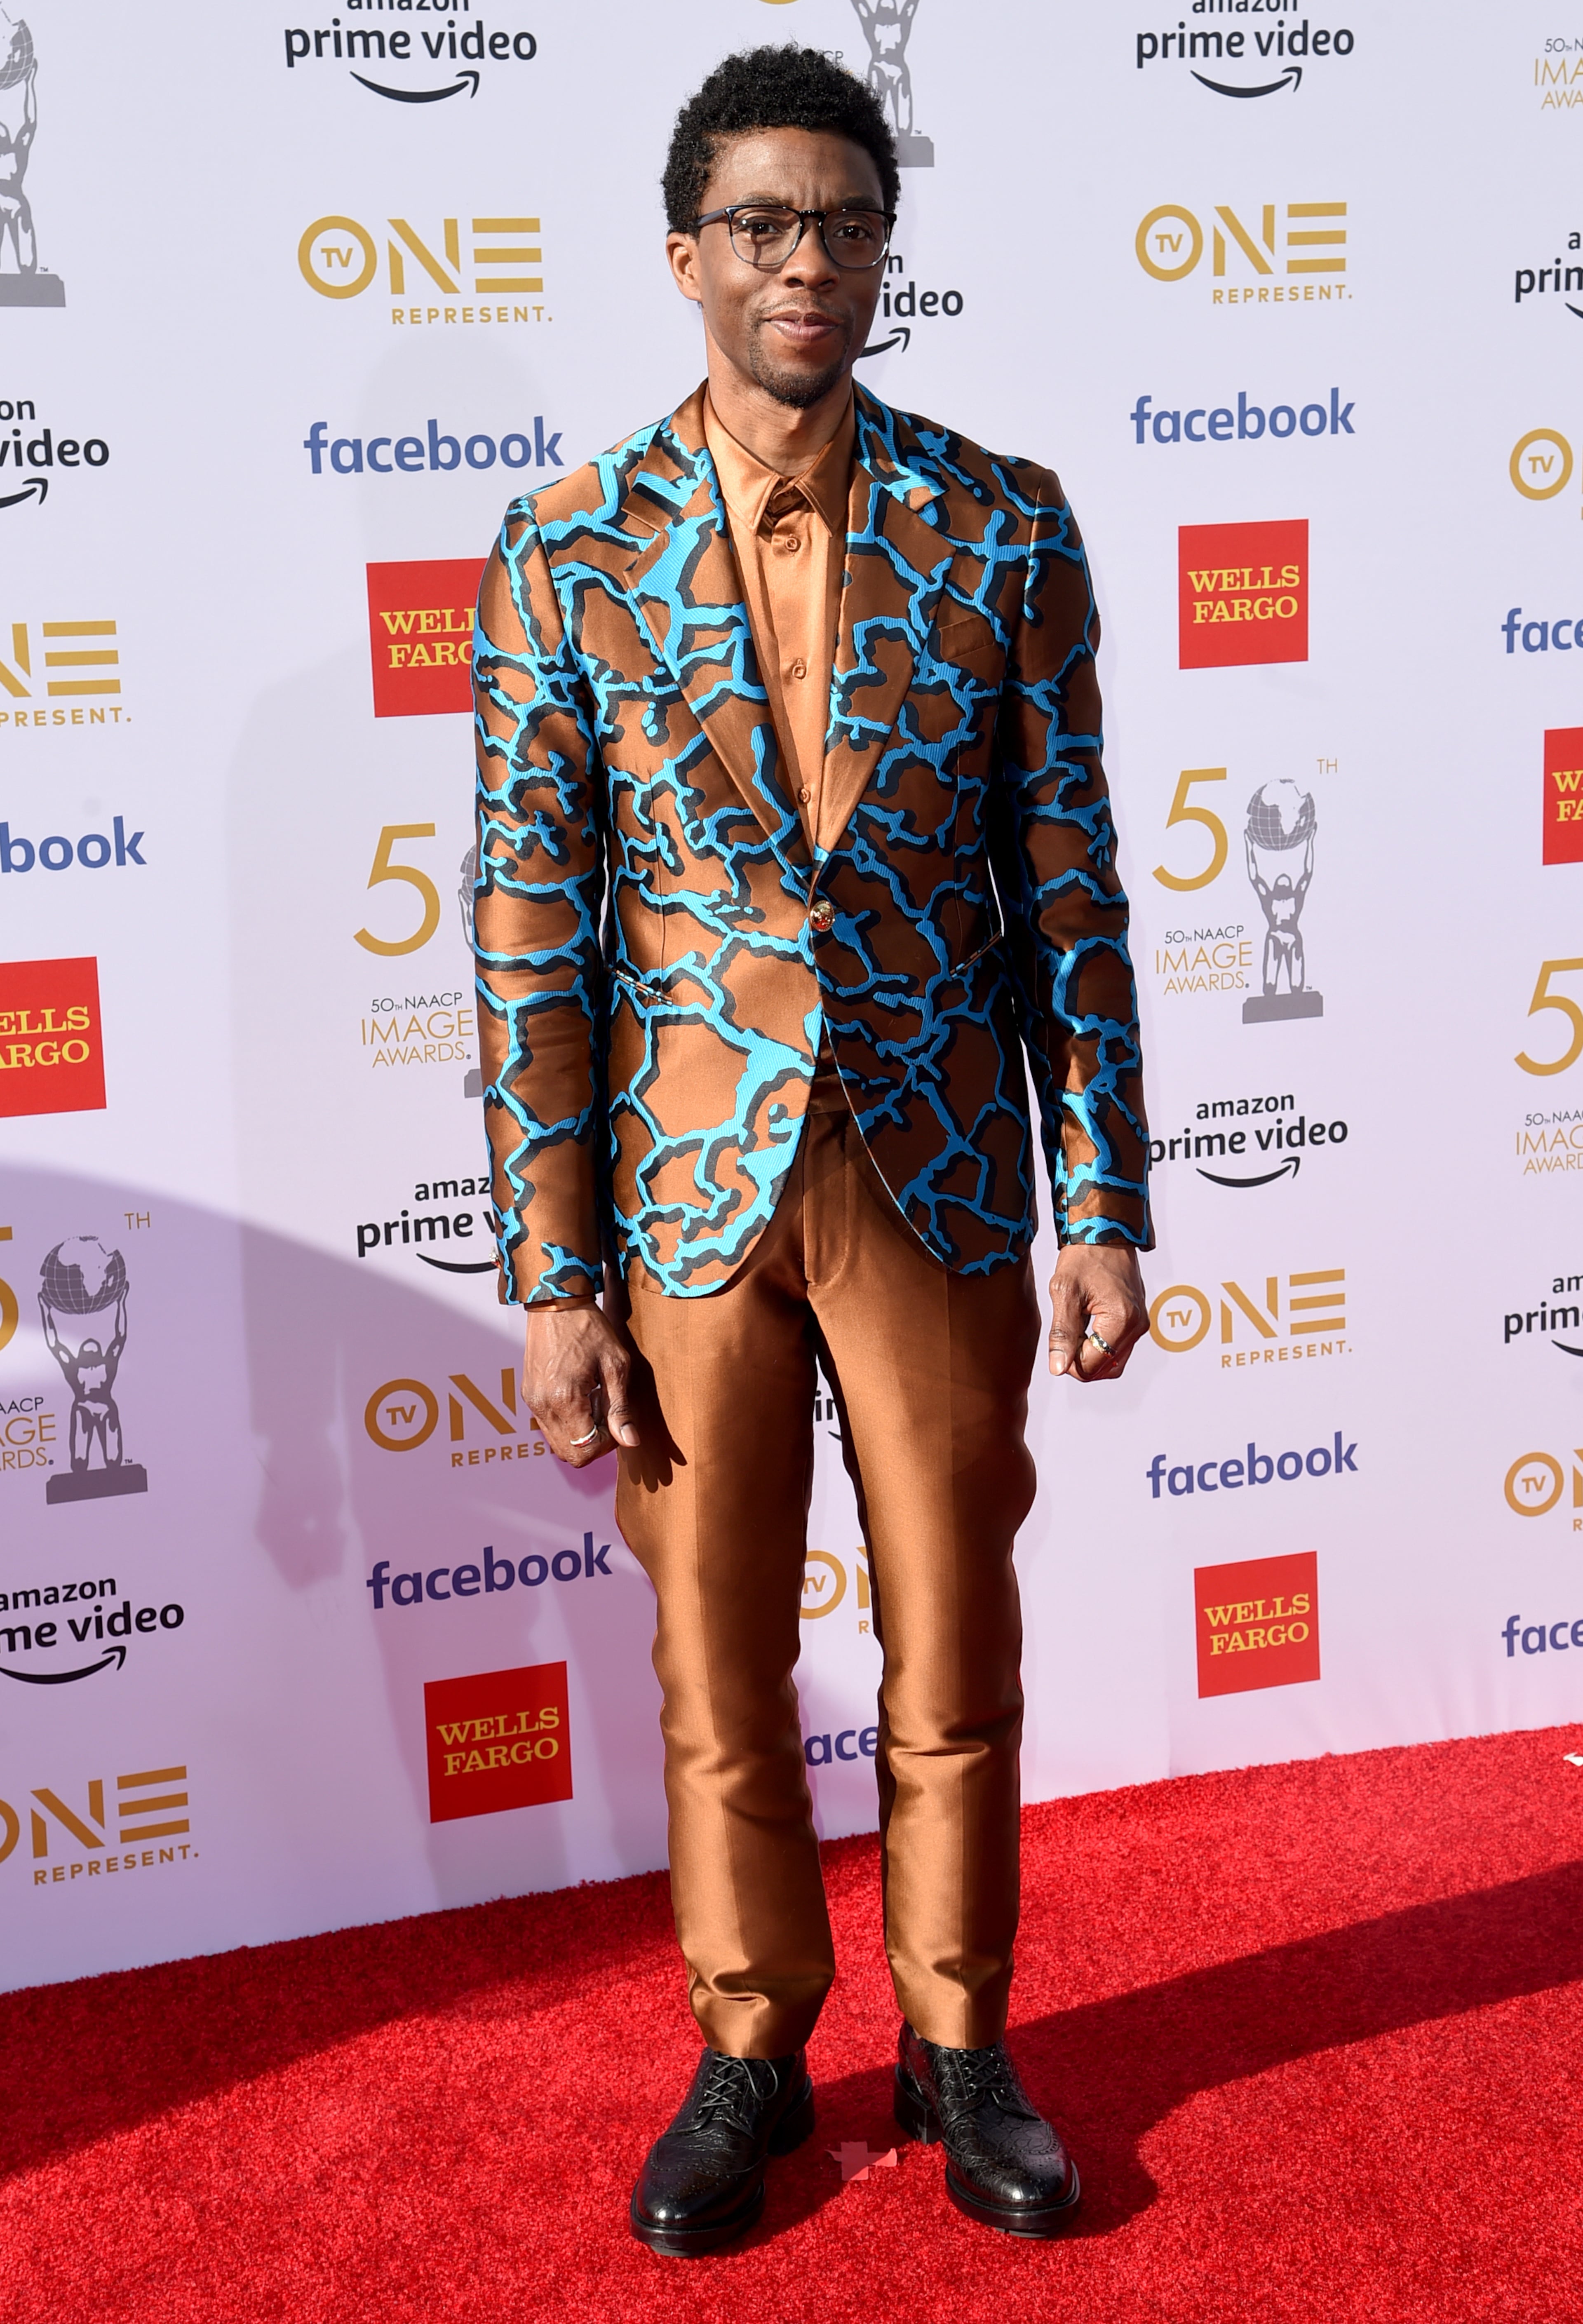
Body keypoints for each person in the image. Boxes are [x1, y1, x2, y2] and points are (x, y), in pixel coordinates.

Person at [470, 43, 1151, 2254]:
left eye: (847, 224)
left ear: (884, 254)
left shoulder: (1004, 521)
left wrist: (1105, 1196)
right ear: (684, 256)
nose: (807, 262)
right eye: (763, 223)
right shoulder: (565, 551)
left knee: (955, 1645)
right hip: (684, 1194)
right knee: (717, 1667)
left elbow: (1068, 888)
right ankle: (752, 2047)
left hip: (937, 1178)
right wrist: (554, 1270)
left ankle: (962, 2043)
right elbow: (531, 935)